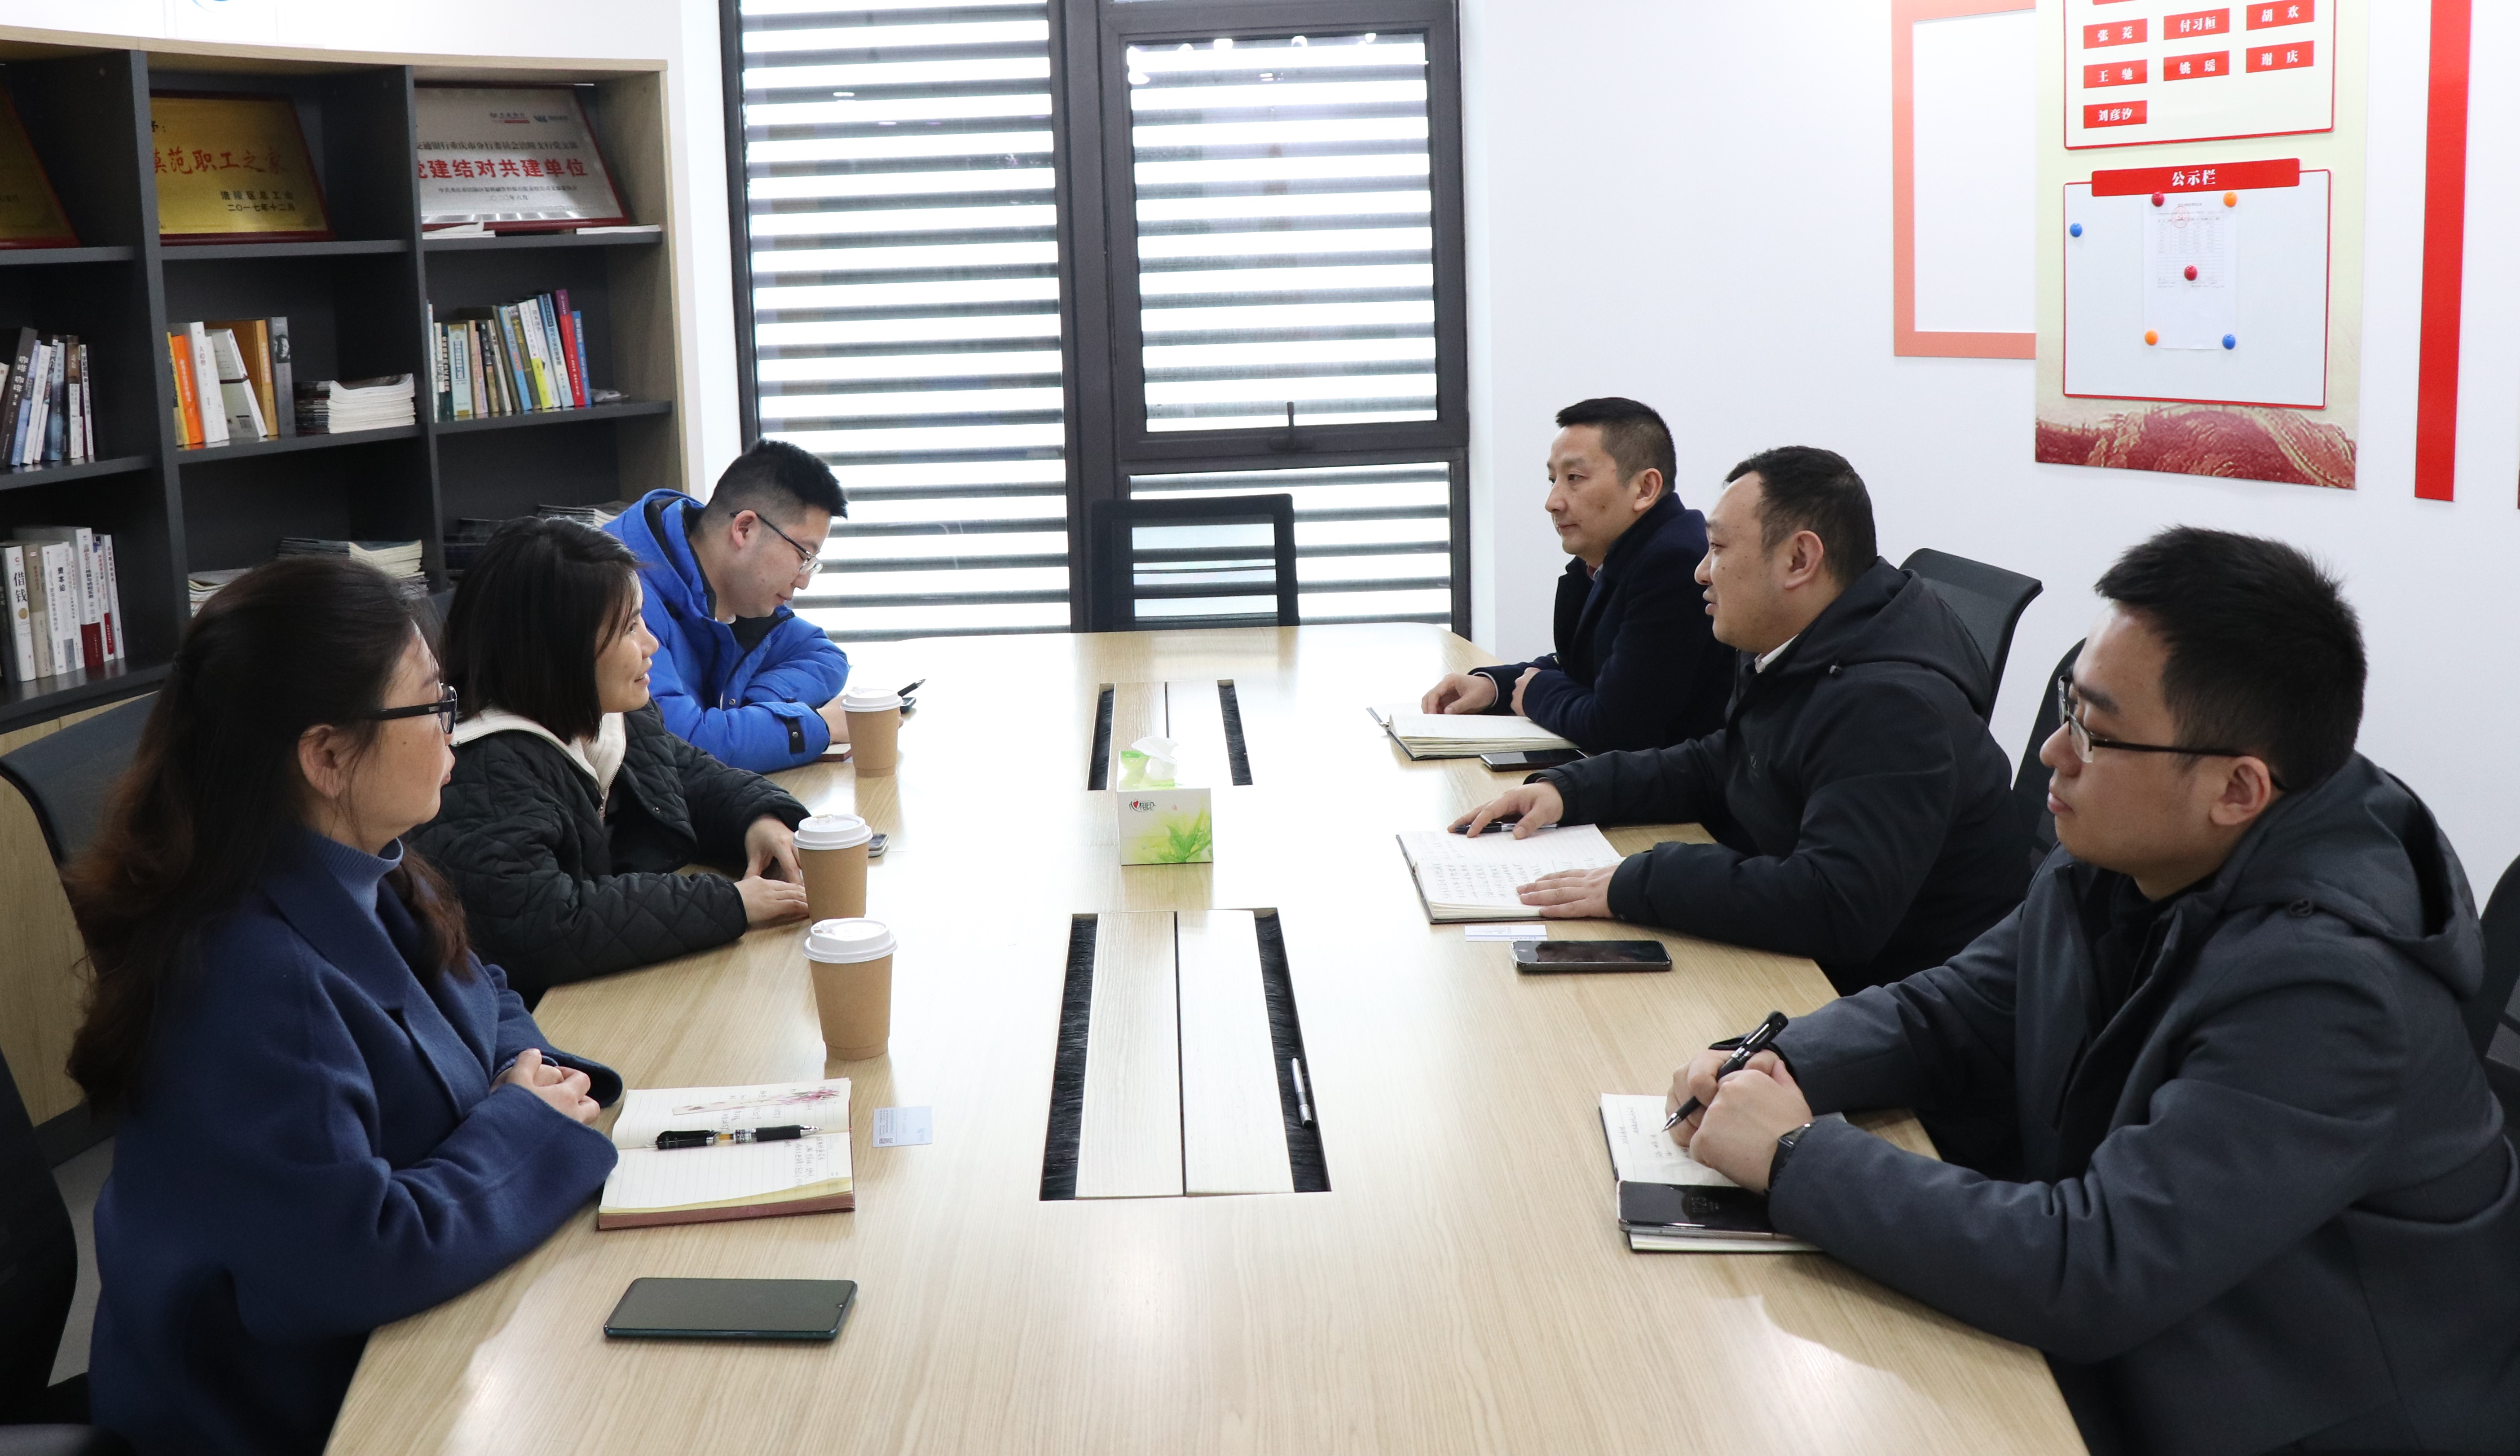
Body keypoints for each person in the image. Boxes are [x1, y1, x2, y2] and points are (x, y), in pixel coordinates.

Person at [1671, 528, 2520, 1456]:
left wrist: (1795, 1156)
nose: (2050, 750)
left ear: (2237, 788)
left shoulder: (2334, 992)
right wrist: (1776, 1059)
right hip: (2158, 1340)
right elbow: (1954, 1009)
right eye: (2067, 704)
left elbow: (2095, 1265)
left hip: (2294, 1410)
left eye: (2093, 730)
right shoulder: (2130, 857)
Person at [67, 558, 620, 1456]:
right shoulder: (248, 972)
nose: (452, 727)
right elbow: (358, 1255)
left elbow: (485, 991)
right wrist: (524, 1118)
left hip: (398, 1340)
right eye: (433, 703)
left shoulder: (370, 863)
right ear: (326, 756)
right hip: (278, 1414)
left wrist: (525, 1078)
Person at [1459, 445, 2026, 992]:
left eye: (1718, 549)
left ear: (1799, 560)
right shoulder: (1802, 645)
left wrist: (1639, 880)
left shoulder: (1890, 706)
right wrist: (1568, 790)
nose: (1701, 573)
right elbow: (1724, 761)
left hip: (1875, 1002)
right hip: (1812, 968)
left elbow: (1833, 906)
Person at [412, 518, 812, 1006]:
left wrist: (758, 820)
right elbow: (546, 924)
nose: (651, 644)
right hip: (544, 1016)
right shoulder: (481, 767)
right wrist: (731, 903)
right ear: (559, 650)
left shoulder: (608, 713)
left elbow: (688, 775)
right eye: (629, 628)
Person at [1418, 397, 1732, 751]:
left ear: (1645, 489)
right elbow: (1579, 669)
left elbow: (1616, 727)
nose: (1553, 502)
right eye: (1553, 480)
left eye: (1575, 478)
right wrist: (1494, 687)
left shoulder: (1675, 564)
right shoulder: (1612, 557)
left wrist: (1536, 690)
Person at [606, 438, 852, 772]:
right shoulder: (622, 595)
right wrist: (818, 726)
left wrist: (753, 708)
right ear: (745, 529)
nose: (803, 580)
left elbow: (824, 656)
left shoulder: (736, 592)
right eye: (803, 555)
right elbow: (682, 747)